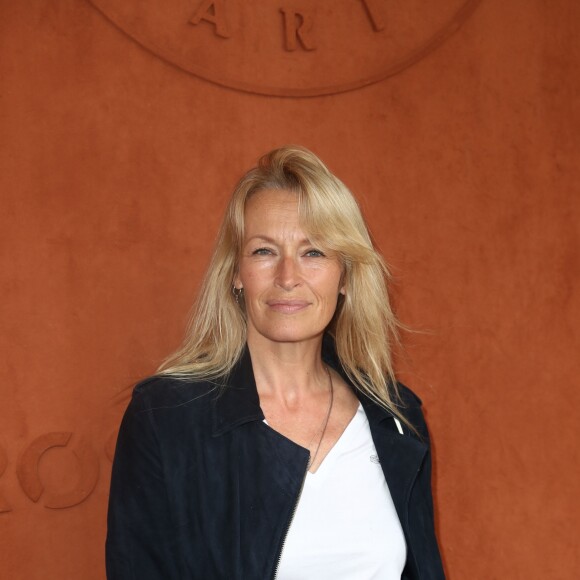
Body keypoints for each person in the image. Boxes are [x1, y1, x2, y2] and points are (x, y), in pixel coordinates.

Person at [105, 146, 445, 579]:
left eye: (314, 252)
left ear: (346, 275)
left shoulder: (396, 418)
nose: (288, 277)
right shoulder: (166, 419)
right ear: (235, 273)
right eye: (264, 251)